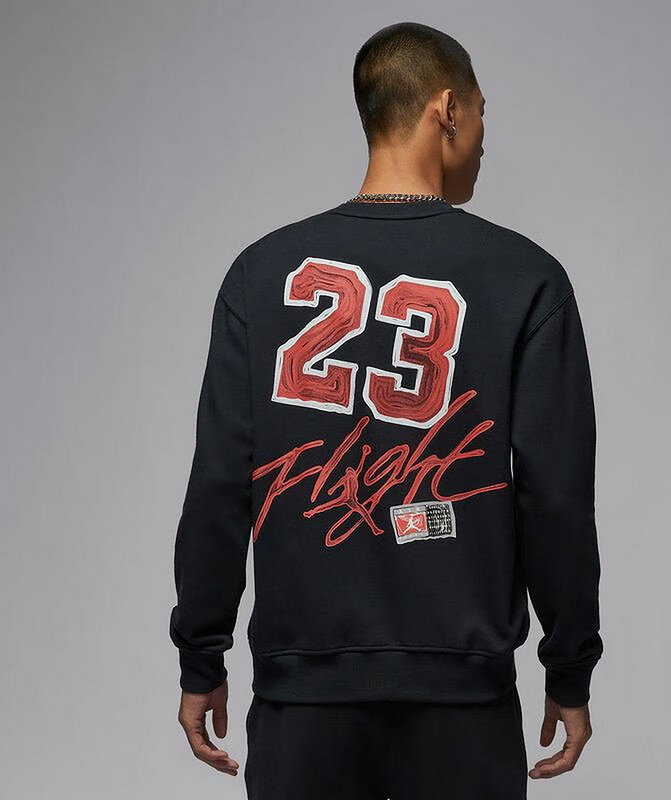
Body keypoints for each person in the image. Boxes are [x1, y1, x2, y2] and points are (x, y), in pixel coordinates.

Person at [170, 20, 603, 799]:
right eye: (481, 112)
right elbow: (557, 499)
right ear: (448, 109)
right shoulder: (526, 278)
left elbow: (221, 483)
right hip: (463, 704)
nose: (483, 138)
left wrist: (201, 657)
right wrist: (568, 669)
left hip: (303, 701)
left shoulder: (259, 276)